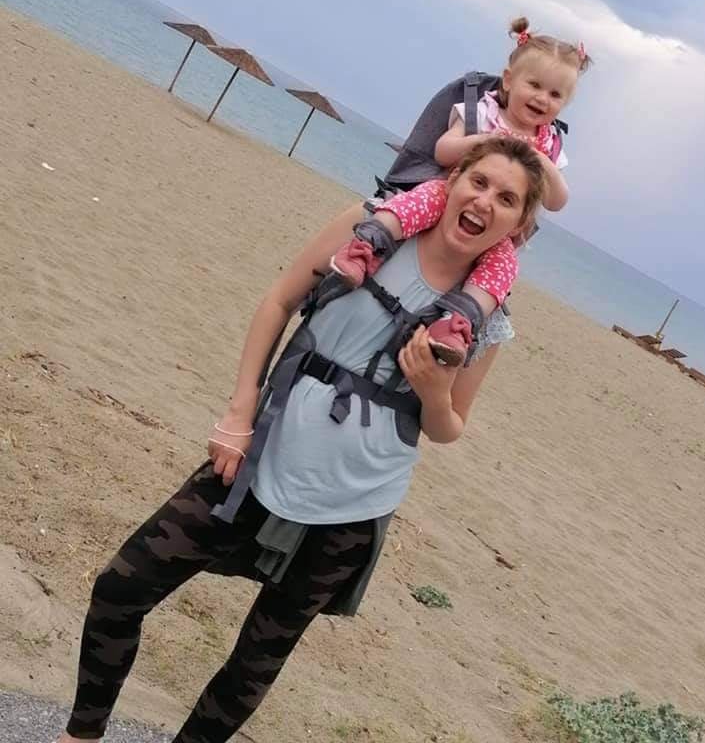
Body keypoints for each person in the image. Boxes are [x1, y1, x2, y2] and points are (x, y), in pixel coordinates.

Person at [59, 136, 545, 743]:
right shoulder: (369, 228)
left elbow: (448, 429)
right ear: (453, 181)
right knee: (122, 588)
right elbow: (279, 301)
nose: (485, 202)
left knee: (255, 663)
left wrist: (433, 391)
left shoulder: (486, 321)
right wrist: (239, 412)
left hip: (355, 505)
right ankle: (81, 735)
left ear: (517, 226)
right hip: (261, 456)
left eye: (507, 199)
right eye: (479, 182)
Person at [330, 16, 591, 365]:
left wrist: (541, 160)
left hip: (494, 230)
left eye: (555, 94)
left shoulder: (549, 144)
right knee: (421, 199)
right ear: (509, 80)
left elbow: (557, 201)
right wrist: (484, 140)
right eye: (535, 85)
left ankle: (459, 321)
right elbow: (443, 151)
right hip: (450, 195)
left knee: (505, 263)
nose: (543, 98)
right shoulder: (482, 112)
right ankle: (366, 247)